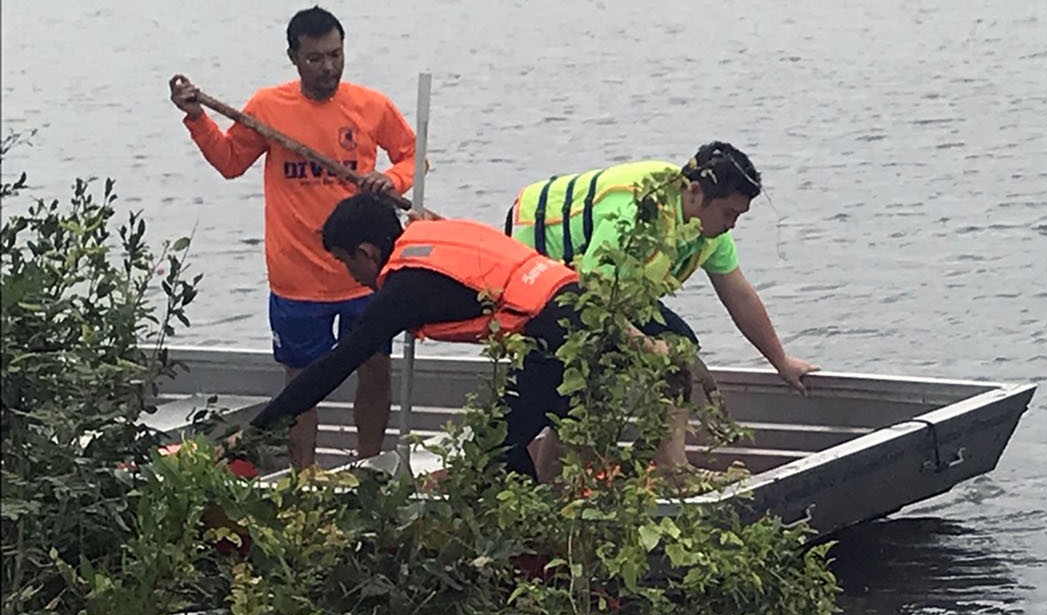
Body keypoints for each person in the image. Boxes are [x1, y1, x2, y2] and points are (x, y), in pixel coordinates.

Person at [168, 7, 417, 469]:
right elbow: (229, 162)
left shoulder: (371, 105)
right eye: (315, 58)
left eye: (336, 55)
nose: (328, 68)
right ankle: (304, 481)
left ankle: (369, 468)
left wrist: (393, 181)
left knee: (377, 369)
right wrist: (197, 118)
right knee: (301, 385)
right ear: (294, 58)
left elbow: (410, 155)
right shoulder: (269, 108)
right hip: (297, 277)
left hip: (365, 274)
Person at [237, 196, 625, 480]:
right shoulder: (429, 233)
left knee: (492, 450)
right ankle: (549, 520)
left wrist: (254, 432)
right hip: (590, 310)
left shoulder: (403, 291)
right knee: (534, 432)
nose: (349, 275)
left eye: (345, 262)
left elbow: (330, 370)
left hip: (560, 338)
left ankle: (526, 545)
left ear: (367, 252)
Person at [505, 144, 816, 472]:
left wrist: (780, 361)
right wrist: (644, 343)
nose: (732, 225)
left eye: (738, 216)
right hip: (541, 265)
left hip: (606, 285)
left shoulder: (708, 231)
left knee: (678, 345)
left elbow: (740, 296)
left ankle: (672, 467)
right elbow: (592, 295)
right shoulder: (634, 214)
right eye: (729, 214)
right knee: (562, 376)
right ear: (695, 193)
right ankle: (526, 470)